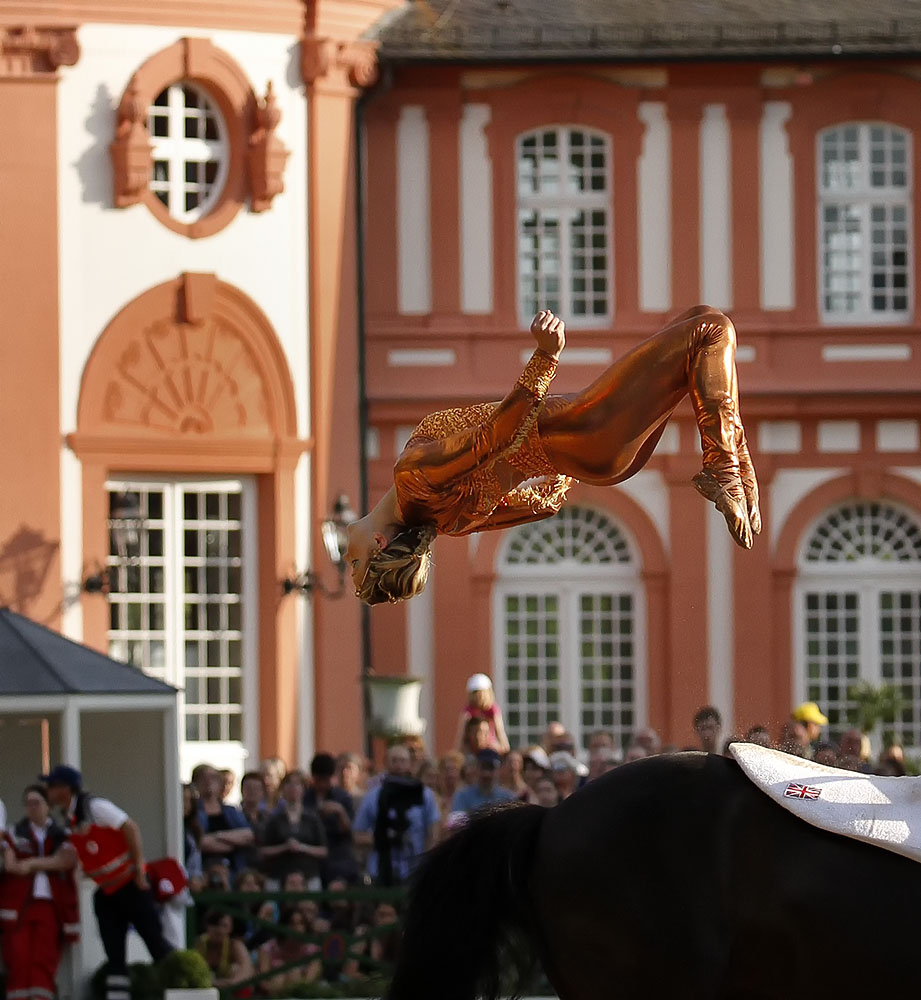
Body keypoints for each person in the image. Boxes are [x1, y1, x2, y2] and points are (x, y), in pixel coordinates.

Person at [347, 306, 760, 606]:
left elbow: (545, 504)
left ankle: (737, 468)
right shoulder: (413, 477)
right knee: (710, 330)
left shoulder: (448, 522)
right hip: (585, 429)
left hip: (594, 455)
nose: (345, 559)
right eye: (353, 563)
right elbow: (496, 437)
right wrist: (546, 355)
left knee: (697, 320)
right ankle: (726, 466)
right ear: (380, 543)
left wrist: (564, 464)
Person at [41, 764, 174, 1000]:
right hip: (107, 892)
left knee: (156, 944)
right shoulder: (70, 818)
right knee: (114, 955)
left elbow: (129, 827)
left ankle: (181, 988)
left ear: (65, 789)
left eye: (51, 786)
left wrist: (140, 869)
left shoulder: (94, 807)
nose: (47, 791)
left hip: (131, 887)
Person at [0, 785, 79, 1000]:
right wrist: (47, 863)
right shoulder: (15, 832)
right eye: (28, 803)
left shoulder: (61, 833)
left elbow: (66, 861)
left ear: (48, 806)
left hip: (51, 905)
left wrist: (31, 864)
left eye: (37, 803)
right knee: (18, 956)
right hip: (19, 906)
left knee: (44, 958)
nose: (32, 808)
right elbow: (10, 865)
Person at [353, 744, 440, 885]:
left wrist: (426, 865)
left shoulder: (424, 795)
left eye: (403, 761)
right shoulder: (373, 796)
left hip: (414, 870)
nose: (398, 765)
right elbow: (358, 836)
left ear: (410, 764)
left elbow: (433, 833)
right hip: (381, 870)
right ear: (386, 763)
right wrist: (384, 838)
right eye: (394, 760)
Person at [260, 770, 328, 890]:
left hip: (308, 874)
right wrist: (284, 847)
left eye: (297, 784)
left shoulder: (312, 818)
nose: (293, 788)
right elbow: (264, 850)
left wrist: (302, 847)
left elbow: (323, 850)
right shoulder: (274, 819)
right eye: (289, 784)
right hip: (279, 874)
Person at [304, 752, 357, 885]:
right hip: (310, 855)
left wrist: (340, 812)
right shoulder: (305, 798)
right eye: (318, 780)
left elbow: (350, 831)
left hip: (338, 856)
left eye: (325, 780)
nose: (322, 785)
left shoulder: (342, 797)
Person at [197, 765, 255, 876]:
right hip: (203, 870)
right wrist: (232, 842)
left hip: (234, 869)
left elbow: (248, 835)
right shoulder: (194, 812)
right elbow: (199, 842)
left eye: (213, 778)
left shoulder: (231, 811)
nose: (209, 782)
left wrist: (217, 835)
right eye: (204, 778)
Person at [257, 905, 322, 992]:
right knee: (279, 976)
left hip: (300, 992)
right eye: (292, 924)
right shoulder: (268, 949)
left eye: (301, 923)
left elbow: (308, 982)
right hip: (274, 990)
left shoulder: (313, 950)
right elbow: (263, 980)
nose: (297, 928)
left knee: (294, 972)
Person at [195, 908, 253, 990]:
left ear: (231, 927)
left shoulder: (235, 946)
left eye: (224, 926)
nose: (219, 930)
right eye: (215, 924)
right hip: (204, 988)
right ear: (207, 926)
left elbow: (246, 970)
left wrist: (231, 983)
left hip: (229, 989)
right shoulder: (199, 944)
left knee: (236, 969)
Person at [454, 673, 511, 754]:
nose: (479, 697)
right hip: (471, 747)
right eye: (476, 694)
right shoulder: (468, 711)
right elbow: (461, 734)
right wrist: (458, 753)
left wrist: (505, 750)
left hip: (489, 744)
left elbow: (500, 731)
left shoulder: (492, 709)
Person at [451, 749, 518, 814]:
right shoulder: (463, 797)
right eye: (483, 767)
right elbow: (457, 822)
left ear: (498, 770)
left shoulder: (509, 799)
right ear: (476, 769)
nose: (486, 773)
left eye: (491, 768)